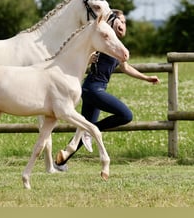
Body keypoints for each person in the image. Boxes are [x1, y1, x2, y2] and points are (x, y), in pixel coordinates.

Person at [54, 9, 160, 171]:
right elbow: (81, 54)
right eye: (120, 21)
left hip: (94, 89)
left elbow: (125, 67)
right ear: (112, 21)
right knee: (125, 115)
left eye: (125, 22)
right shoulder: (102, 41)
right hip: (93, 88)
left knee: (85, 126)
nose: (123, 25)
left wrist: (146, 78)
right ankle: (91, 130)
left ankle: (61, 162)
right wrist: (89, 60)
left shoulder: (114, 45)